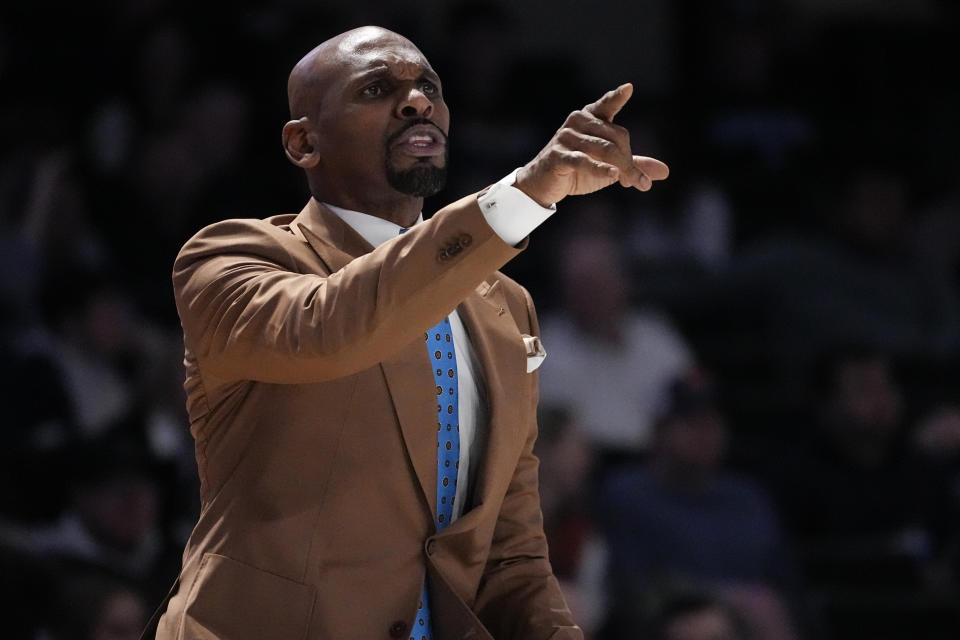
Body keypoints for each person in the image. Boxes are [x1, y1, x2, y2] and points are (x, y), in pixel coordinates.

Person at [153, 26, 668, 640]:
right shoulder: (230, 258)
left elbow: (510, 549)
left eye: (429, 87)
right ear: (303, 143)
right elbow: (328, 328)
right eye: (376, 88)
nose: (418, 101)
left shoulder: (506, 305)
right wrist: (526, 193)